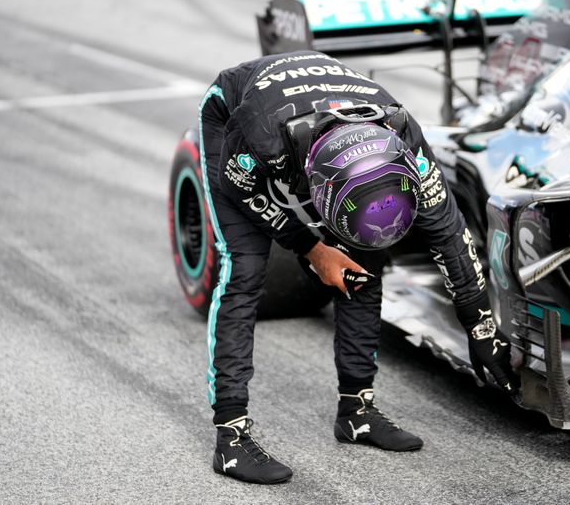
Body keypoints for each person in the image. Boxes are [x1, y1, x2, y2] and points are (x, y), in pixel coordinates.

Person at [198, 50, 518, 485]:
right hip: (237, 114)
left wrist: (480, 326)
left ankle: (356, 413)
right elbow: (244, 194)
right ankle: (230, 440)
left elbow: (449, 233)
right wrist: (312, 247)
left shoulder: (404, 134)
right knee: (245, 269)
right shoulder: (261, 136)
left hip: (327, 124)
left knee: (362, 266)